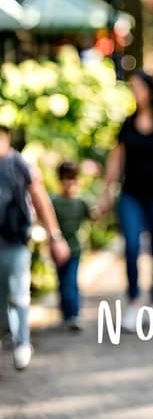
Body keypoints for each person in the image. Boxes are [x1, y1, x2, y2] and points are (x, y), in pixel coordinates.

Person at [98, 70, 153, 332]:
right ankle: (134, 302)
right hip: (131, 195)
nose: (135, 92)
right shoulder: (127, 123)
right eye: (132, 88)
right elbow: (116, 161)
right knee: (132, 246)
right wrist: (106, 193)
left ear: (150, 90)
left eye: (139, 87)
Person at [0, 124, 70, 370]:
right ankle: (10, 334)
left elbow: (40, 198)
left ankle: (22, 342)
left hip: (16, 240)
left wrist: (55, 236)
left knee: (18, 293)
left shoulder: (19, 165)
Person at [50, 160, 92, 330]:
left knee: (70, 282)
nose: (70, 183)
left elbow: (93, 216)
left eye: (73, 178)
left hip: (75, 249)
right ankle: (66, 314)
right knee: (62, 282)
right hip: (57, 250)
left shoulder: (81, 202)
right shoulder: (54, 202)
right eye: (66, 179)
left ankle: (74, 314)